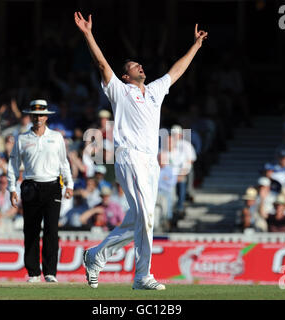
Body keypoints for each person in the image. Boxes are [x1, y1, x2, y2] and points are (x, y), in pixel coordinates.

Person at [75, 11, 207, 290]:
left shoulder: (156, 91)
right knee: (145, 216)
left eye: (140, 64)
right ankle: (141, 276)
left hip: (150, 160)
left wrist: (195, 46)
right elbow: (101, 63)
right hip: (129, 155)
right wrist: (88, 34)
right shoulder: (120, 91)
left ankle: (95, 255)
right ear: (125, 75)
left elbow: (177, 71)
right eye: (135, 66)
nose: (141, 67)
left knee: (140, 218)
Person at [7, 99, 74, 283]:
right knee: (31, 230)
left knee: (52, 230)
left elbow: (63, 162)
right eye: (35, 115)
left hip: (52, 186)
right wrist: (12, 188)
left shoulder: (56, 137)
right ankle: (34, 272)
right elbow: (13, 164)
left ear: (46, 117)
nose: (38, 119)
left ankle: (50, 272)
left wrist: (70, 184)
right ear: (30, 116)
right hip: (30, 186)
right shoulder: (22, 138)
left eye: (41, 115)